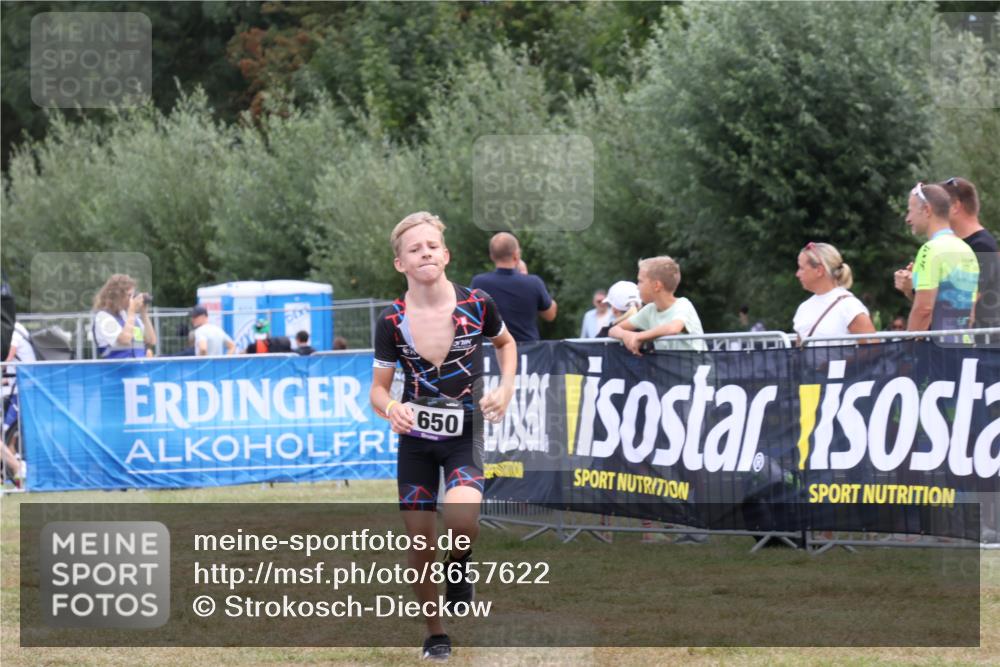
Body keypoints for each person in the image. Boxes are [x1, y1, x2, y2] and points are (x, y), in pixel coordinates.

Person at [370, 212, 517, 660]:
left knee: (463, 522)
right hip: (415, 441)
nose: (425, 253)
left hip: (463, 434)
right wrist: (392, 408)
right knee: (419, 543)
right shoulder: (391, 321)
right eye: (414, 249)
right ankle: (436, 633)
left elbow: (506, 344)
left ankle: (459, 566)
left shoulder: (477, 304)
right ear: (401, 264)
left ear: (446, 254)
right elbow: (376, 390)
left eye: (432, 246)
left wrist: (506, 388)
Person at [894, 183, 979, 332]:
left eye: (910, 211)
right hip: (963, 343)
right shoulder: (966, 249)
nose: (908, 219)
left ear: (927, 210)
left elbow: (924, 309)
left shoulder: (931, 249)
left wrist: (909, 344)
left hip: (938, 347)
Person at [609, 256, 707, 354]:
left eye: (640, 281)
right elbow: (613, 330)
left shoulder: (683, 304)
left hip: (698, 367)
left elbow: (673, 328)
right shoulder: (649, 310)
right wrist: (626, 335)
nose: (637, 287)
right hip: (669, 368)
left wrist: (638, 337)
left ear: (656, 286)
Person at [470, 232, 557, 342]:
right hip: (528, 352)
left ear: (492, 256)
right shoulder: (534, 282)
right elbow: (550, 315)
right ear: (516, 255)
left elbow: (471, 316)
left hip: (493, 352)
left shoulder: (479, 283)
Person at [938, 177, 1000, 329]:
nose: (935, 211)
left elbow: (963, 305)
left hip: (981, 345)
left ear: (955, 206)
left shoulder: (981, 245)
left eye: (940, 206)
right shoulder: (959, 245)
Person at [792, 242, 876, 345]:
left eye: (801, 268)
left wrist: (839, 361)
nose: (797, 274)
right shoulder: (803, 308)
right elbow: (799, 354)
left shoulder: (850, 306)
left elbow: (874, 349)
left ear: (819, 270)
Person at [91, 274, 156, 359]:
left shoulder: (128, 316)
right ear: (116, 296)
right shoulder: (103, 317)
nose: (132, 299)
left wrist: (144, 314)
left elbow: (151, 340)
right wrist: (132, 312)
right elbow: (125, 340)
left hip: (139, 369)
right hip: (117, 370)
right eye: (129, 295)